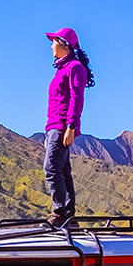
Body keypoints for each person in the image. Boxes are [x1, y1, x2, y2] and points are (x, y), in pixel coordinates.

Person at [43, 28, 95, 228]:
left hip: (63, 125)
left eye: (54, 41)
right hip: (54, 126)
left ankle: (60, 213)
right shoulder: (62, 70)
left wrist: (71, 126)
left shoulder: (74, 68)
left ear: (64, 44)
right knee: (63, 170)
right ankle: (69, 216)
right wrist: (49, 132)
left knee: (51, 168)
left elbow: (76, 98)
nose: (51, 45)